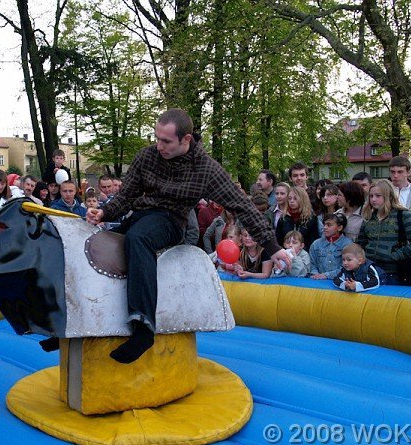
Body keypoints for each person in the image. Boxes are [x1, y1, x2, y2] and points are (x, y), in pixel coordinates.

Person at [86, 108, 290, 364]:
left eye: (166, 141)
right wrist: (104, 212)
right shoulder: (147, 156)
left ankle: (143, 326)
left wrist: (272, 246)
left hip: (171, 220)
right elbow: (126, 196)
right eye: (157, 138)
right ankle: (83, 322)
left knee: (138, 238)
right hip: (140, 215)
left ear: (186, 139)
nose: (159, 146)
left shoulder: (206, 169)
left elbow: (242, 206)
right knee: (100, 244)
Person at [356, 179, 411, 285]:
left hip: (394, 273)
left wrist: (394, 255)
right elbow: (361, 243)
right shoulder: (368, 218)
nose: (373, 199)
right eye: (371, 196)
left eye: (378, 196)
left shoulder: (403, 215)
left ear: (389, 196)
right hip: (370, 271)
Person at [275, 186, 320, 251]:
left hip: (305, 254)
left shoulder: (311, 218)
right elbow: (278, 240)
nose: (291, 201)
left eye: (295, 198)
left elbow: (313, 242)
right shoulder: (283, 218)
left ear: (302, 199)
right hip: (286, 253)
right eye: (289, 198)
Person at [309, 213, 352, 280]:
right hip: (317, 281)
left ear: (339, 228)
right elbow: (312, 264)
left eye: (329, 225)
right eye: (324, 224)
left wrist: (327, 275)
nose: (325, 227)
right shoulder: (316, 244)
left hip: (339, 281)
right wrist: (316, 275)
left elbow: (347, 267)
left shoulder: (348, 245)